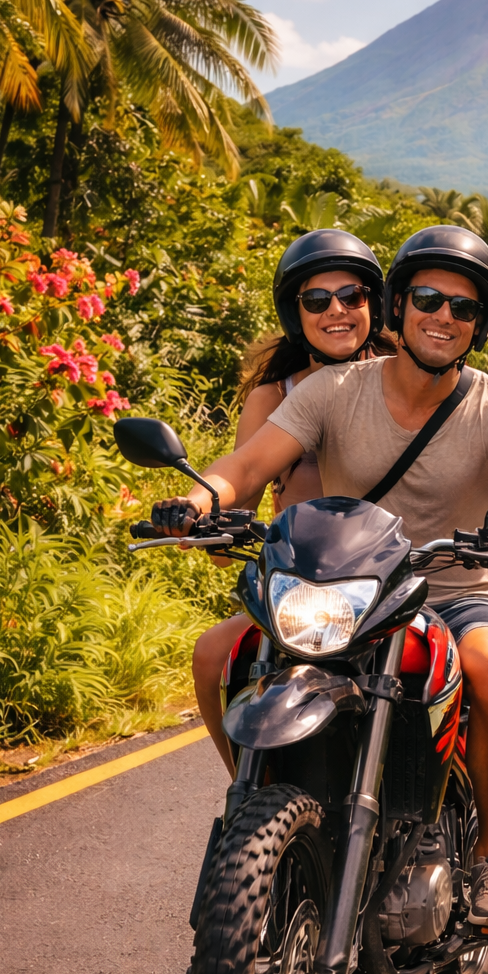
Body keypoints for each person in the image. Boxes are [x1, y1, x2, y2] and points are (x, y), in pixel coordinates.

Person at [151, 226, 488, 933]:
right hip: (347, 594)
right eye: (429, 300)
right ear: (399, 308)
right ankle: (259, 811)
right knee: (215, 653)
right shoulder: (330, 392)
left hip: (450, 591)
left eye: (462, 308)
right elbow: (248, 467)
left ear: (479, 324)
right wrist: (196, 502)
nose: (444, 316)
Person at [191, 229, 392, 777]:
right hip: (302, 594)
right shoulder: (274, 396)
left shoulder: (406, 378)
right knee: (212, 655)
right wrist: (204, 514)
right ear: (294, 312)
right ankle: (247, 796)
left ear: (374, 303)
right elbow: (242, 479)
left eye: (351, 296)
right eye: (316, 299)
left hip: (387, 584)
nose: (336, 310)